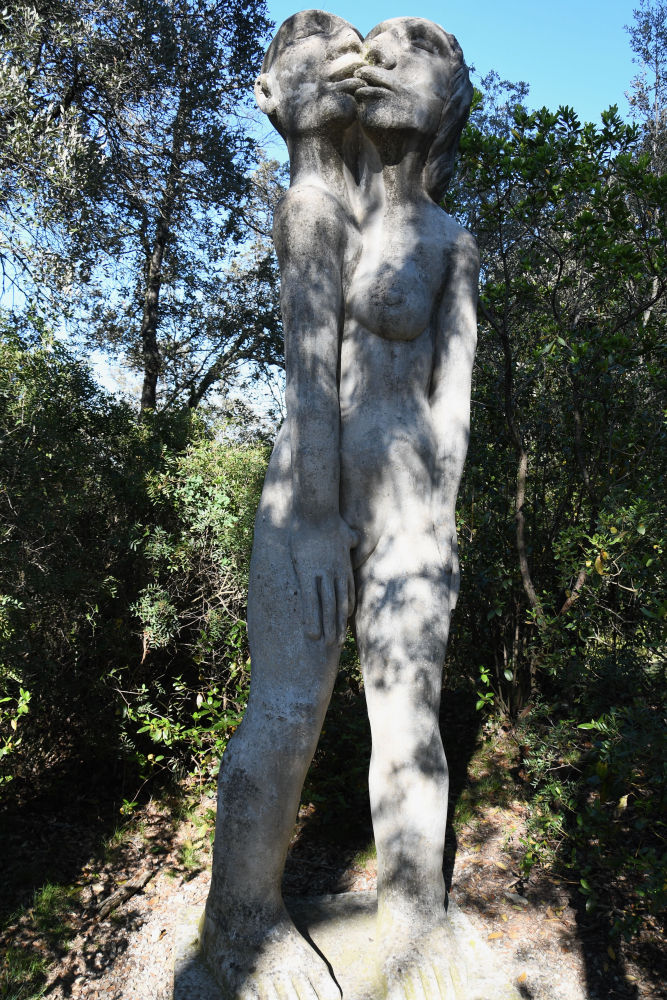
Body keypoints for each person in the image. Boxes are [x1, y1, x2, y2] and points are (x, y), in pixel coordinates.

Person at [201, 13, 479, 1000]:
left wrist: (437, 512)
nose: (381, 62)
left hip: (412, 511)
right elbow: (309, 379)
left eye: (418, 56)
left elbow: (453, 390)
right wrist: (317, 521)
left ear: (455, 105)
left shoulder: (449, 237)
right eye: (380, 51)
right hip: (307, 497)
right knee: (286, 710)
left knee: (411, 717)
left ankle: (415, 917)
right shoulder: (313, 208)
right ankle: (239, 929)